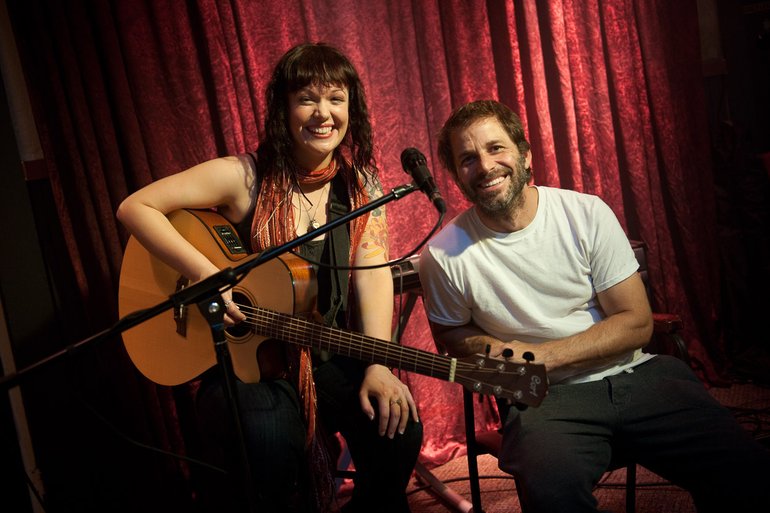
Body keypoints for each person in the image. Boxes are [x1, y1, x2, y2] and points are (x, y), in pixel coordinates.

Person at [418, 99, 770, 512]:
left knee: (747, 472)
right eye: (467, 158)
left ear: (525, 154)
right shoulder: (442, 255)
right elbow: (450, 336)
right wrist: (492, 354)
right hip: (546, 400)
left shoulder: (585, 213)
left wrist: (542, 356)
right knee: (552, 492)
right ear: (458, 177)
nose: (485, 165)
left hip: (636, 374)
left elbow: (637, 324)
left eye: (496, 148)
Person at [117, 42, 422, 513]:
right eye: (307, 98)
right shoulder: (245, 176)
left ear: (351, 108)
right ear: (284, 108)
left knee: (397, 426)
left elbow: (373, 271)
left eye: (336, 99)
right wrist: (207, 273)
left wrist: (379, 363)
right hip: (248, 364)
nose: (323, 113)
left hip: (325, 349)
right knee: (269, 440)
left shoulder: (360, 183)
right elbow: (135, 207)